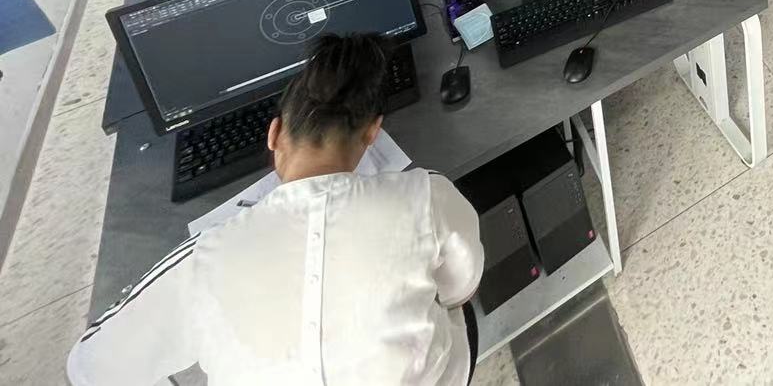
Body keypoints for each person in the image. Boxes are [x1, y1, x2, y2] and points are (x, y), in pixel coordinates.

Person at [67, 33, 484, 386]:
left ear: (274, 133)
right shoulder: (425, 194)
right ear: (373, 132)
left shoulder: (205, 257)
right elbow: (459, 288)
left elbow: (89, 368)